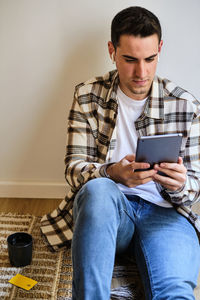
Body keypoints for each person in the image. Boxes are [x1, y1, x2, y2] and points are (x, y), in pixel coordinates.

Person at [40, 6, 200, 299]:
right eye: (130, 60)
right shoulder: (88, 95)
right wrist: (112, 172)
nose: (142, 72)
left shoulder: (186, 104)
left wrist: (179, 184)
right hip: (109, 213)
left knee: (175, 293)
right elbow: (73, 170)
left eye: (150, 59)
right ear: (112, 50)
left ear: (160, 49)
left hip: (166, 214)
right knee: (98, 189)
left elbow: (194, 188)